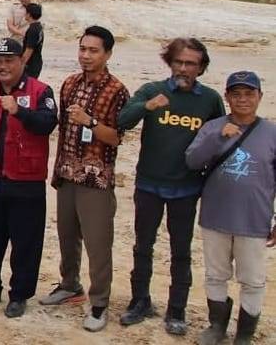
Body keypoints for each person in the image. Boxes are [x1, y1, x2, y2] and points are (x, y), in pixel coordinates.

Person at [117, 37, 226, 334]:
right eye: (178, 62)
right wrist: (147, 106)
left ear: (201, 68)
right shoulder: (152, 90)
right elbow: (121, 120)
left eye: (191, 64)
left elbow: (220, 140)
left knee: (181, 251)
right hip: (149, 184)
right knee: (143, 246)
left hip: (186, 189)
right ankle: (139, 301)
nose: (183, 68)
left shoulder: (210, 99)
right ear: (170, 62)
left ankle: (177, 309)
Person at [39, 26, 130, 332]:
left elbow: (116, 137)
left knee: (98, 244)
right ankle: (70, 285)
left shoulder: (117, 90)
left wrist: (89, 122)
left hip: (96, 180)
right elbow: (64, 130)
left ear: (108, 54)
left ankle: (100, 302)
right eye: (82, 49)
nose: (86, 56)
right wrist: (58, 170)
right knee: (67, 236)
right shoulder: (69, 84)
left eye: (93, 50)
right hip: (67, 173)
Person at [0, 38, 58, 318]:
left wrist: (20, 111)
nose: (3, 66)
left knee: (26, 243)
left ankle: (19, 295)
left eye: (9, 60)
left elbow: (47, 124)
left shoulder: (40, 90)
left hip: (27, 181)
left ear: (22, 61)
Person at [186, 71, 274, 345]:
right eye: (236, 94)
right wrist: (217, 138)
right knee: (215, 275)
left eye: (249, 94)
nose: (242, 99)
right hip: (215, 217)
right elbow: (192, 161)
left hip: (254, 220)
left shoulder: (271, 133)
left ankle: (245, 334)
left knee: (252, 279)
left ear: (259, 96)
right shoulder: (213, 127)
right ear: (227, 97)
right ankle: (216, 326)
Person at [22, 3, 44, 79]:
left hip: (31, 64)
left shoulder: (32, 30)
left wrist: (21, 64)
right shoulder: (38, 27)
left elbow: (29, 50)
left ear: (29, 14)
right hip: (36, 62)